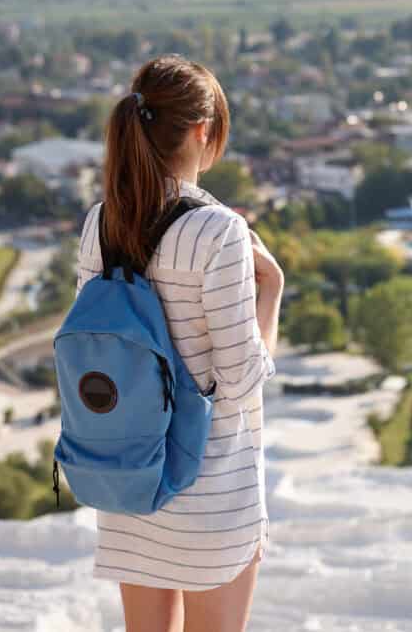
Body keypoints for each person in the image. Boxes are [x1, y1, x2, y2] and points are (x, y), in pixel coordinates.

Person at [75, 55, 283, 632]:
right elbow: (240, 379)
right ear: (201, 130)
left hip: (129, 480)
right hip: (211, 486)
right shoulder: (219, 231)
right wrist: (273, 293)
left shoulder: (101, 223)